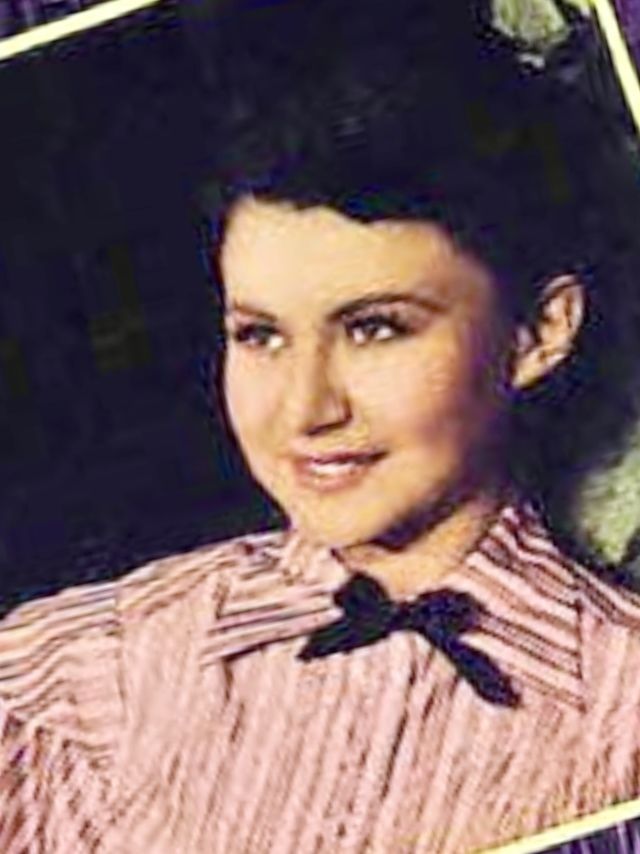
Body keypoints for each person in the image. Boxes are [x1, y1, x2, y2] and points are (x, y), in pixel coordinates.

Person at [3, 0, 640, 851]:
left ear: (539, 332)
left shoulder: (624, 708)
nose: (305, 409)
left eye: (375, 327)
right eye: (260, 335)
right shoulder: (83, 672)